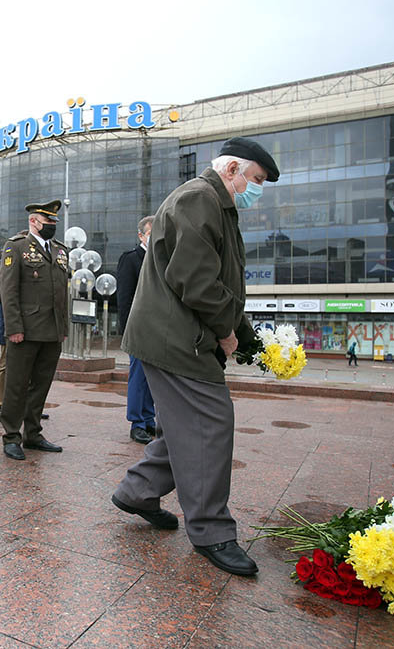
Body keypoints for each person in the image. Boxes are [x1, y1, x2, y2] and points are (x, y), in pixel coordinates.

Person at [111, 137, 280, 577]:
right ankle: (211, 532)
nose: (255, 189)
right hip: (174, 338)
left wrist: (248, 339)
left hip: (177, 334)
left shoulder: (214, 204)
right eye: (255, 179)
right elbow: (196, 281)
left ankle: (137, 492)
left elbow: (220, 283)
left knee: (183, 428)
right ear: (232, 170)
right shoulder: (199, 199)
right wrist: (226, 330)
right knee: (209, 422)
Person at [0, 200, 69, 460]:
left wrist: (64, 327)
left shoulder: (61, 251)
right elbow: (8, 291)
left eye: (53, 223)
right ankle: (12, 436)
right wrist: (14, 327)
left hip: (52, 331)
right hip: (25, 330)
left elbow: (63, 293)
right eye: (47, 222)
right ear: (33, 222)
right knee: (16, 385)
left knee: (41, 385)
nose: (51, 226)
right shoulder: (15, 247)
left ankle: (33, 433)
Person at [0, 255, 50, 424]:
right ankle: (2, 405)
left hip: (36, 325)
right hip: (12, 322)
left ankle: (30, 407)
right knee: (6, 365)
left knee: (33, 367)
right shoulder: (7, 256)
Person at [117, 215, 156, 445]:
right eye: (152, 233)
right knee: (139, 377)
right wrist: (126, 331)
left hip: (159, 329)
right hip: (138, 329)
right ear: (141, 235)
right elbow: (124, 298)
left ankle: (149, 417)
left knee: (153, 378)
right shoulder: (131, 259)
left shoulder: (163, 258)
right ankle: (137, 423)